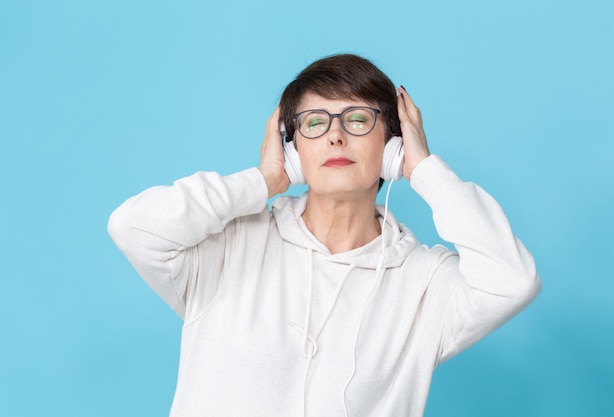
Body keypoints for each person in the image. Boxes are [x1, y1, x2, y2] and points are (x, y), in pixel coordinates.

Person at [108, 53, 541, 417]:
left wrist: (424, 170)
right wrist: (264, 181)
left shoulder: (425, 283)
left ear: (392, 147)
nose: (335, 135)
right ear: (293, 149)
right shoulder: (226, 248)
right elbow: (133, 226)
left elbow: (512, 280)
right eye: (315, 122)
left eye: (357, 120)